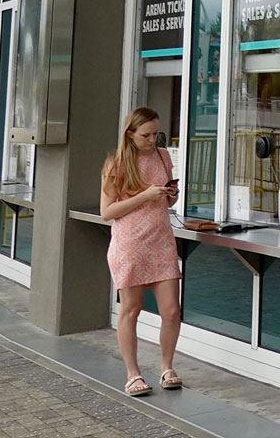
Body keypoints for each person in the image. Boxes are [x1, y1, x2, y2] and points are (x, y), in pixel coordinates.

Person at [100, 106, 184, 397]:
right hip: (130, 243)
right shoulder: (117, 164)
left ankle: (167, 367)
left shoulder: (163, 156)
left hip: (160, 239)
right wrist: (144, 195)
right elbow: (107, 211)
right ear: (130, 134)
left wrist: (170, 196)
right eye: (146, 135)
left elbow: (166, 204)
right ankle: (132, 374)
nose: (152, 140)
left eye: (156, 134)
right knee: (131, 309)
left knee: (172, 310)